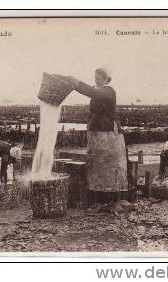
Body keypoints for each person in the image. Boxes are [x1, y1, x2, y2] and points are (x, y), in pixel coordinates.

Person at [64, 68, 129, 203]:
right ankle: (99, 201)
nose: (97, 79)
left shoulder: (108, 90)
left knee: (111, 166)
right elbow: (92, 93)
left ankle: (115, 200)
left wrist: (76, 83)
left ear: (106, 79)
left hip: (108, 134)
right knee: (96, 166)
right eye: (95, 77)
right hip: (96, 134)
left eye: (100, 77)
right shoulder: (97, 91)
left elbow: (93, 92)